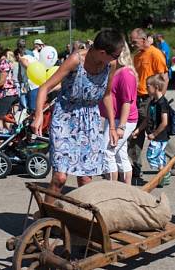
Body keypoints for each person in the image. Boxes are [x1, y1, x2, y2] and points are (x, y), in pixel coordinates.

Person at [31, 29, 124, 200]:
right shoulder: (76, 60)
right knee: (60, 178)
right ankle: (47, 217)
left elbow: (107, 95)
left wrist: (112, 126)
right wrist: (38, 115)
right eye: (116, 55)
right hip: (65, 117)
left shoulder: (110, 65)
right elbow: (45, 87)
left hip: (91, 120)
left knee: (85, 179)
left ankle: (79, 221)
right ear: (103, 52)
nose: (117, 59)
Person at [128, 28, 169, 179]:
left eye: (134, 42)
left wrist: (159, 101)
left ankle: (174, 158)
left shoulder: (155, 54)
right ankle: (135, 167)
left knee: (152, 131)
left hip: (149, 98)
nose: (132, 45)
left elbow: (164, 78)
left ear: (144, 40)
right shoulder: (137, 56)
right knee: (135, 132)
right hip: (137, 98)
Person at [101, 42, 137, 185]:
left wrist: (121, 127)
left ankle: (112, 188)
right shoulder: (116, 71)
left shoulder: (126, 74)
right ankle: (126, 187)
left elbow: (127, 102)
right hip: (114, 119)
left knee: (107, 152)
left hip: (123, 120)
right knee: (120, 155)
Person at [132, 74, 171, 187]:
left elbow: (164, 122)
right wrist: (138, 130)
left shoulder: (162, 103)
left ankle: (165, 174)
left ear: (156, 87)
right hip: (155, 136)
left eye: (148, 86)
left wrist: (154, 134)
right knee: (159, 157)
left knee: (152, 155)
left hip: (160, 136)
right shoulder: (152, 102)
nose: (146, 88)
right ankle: (162, 176)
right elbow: (147, 119)